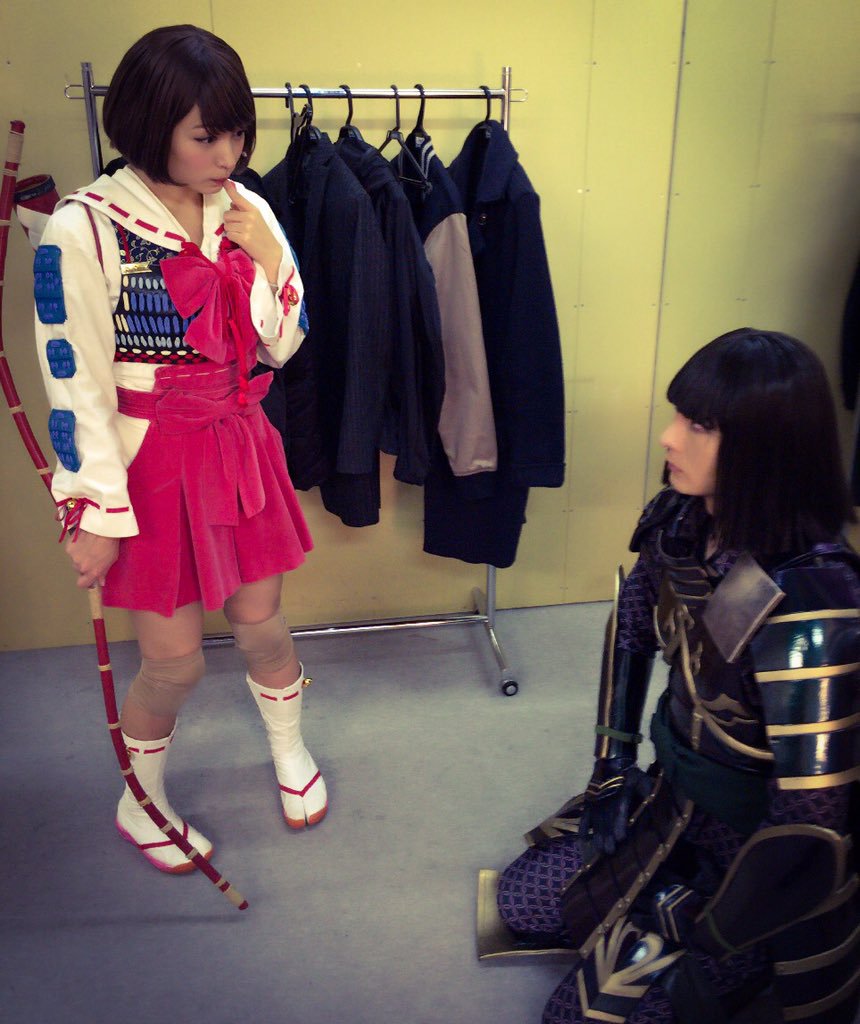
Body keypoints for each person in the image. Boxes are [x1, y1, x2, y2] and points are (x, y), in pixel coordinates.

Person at [492, 329, 859, 1023]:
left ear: (767, 446)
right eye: (679, 415)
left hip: (754, 862)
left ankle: (746, 969)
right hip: (673, 798)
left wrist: (711, 930)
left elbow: (810, 822)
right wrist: (612, 764)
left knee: (574, 1016)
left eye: (700, 425)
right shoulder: (682, 521)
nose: (668, 437)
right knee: (520, 902)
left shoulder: (816, 598)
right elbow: (632, 624)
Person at [32, 24, 327, 875]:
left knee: (262, 623)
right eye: (206, 136)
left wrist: (265, 255)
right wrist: (92, 511)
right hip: (148, 461)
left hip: (237, 441)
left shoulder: (245, 206)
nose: (228, 154)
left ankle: (289, 746)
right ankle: (142, 800)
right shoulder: (83, 228)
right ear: (150, 124)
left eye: (238, 134)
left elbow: (281, 345)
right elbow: (73, 380)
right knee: (174, 663)